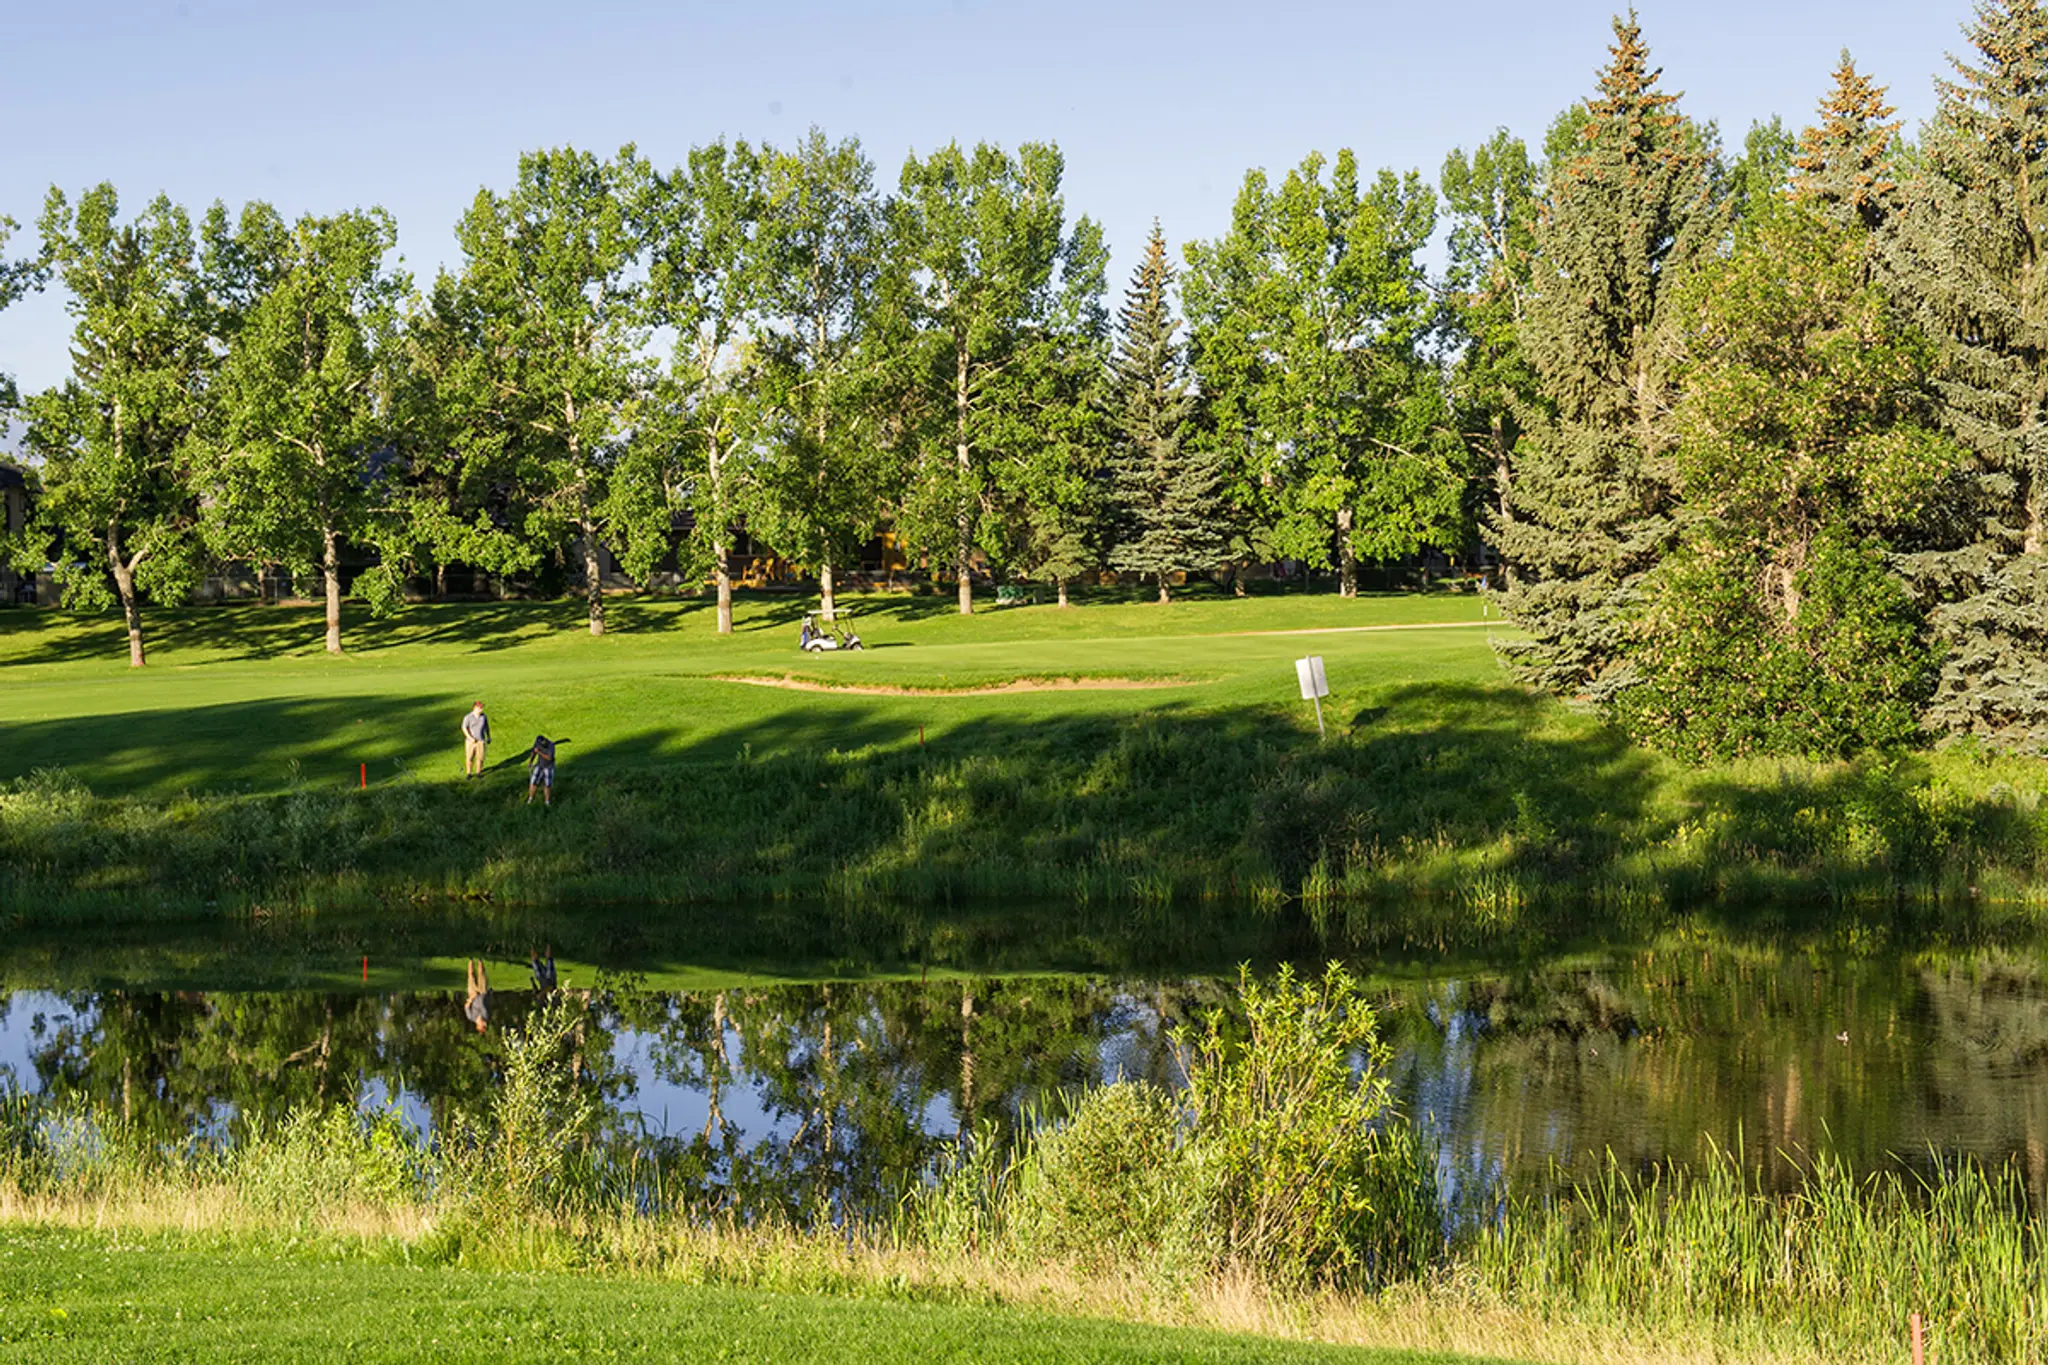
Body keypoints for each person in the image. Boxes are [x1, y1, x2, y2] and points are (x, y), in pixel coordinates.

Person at [525, 734, 557, 806]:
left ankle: (547, 802)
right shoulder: (537, 743)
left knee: (547, 784)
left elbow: (549, 758)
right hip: (539, 765)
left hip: (548, 766)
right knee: (533, 781)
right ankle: (530, 799)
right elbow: (533, 752)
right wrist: (530, 762)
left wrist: (539, 752)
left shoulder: (551, 745)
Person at [462, 701, 491, 778]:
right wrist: (470, 738)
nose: (481, 709)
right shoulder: (468, 717)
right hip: (470, 742)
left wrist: (488, 737)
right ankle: (469, 773)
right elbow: (464, 728)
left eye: (482, 707)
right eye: (480, 708)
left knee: (480, 758)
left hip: (481, 740)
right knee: (469, 757)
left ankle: (478, 773)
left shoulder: (483, 717)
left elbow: (486, 728)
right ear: (475, 708)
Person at [463, 959, 492, 1033]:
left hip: (473, 993)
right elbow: (486, 1004)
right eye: (485, 1025)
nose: (485, 1024)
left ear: (478, 1025)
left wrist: (472, 997)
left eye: (484, 1026)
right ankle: (480, 959)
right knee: (481, 973)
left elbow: (466, 1006)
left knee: (471, 975)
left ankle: (470, 960)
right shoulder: (486, 1016)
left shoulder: (471, 1017)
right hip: (482, 992)